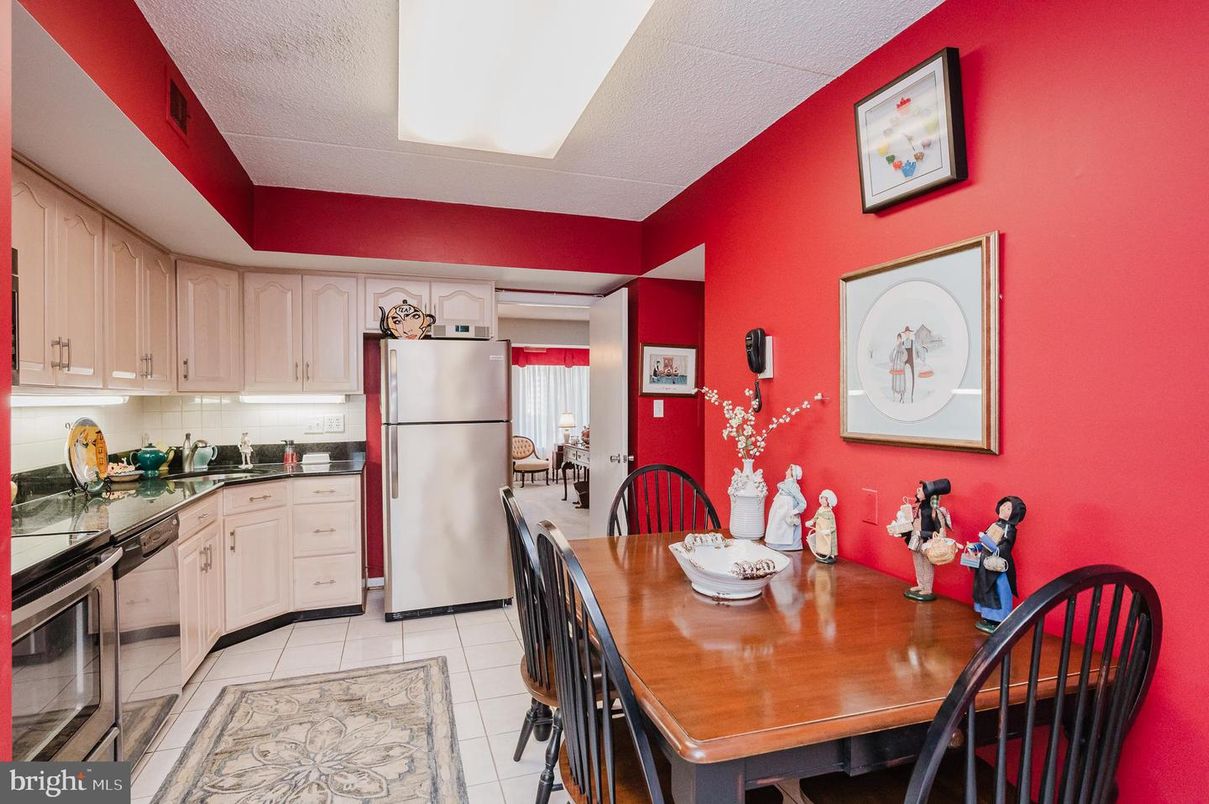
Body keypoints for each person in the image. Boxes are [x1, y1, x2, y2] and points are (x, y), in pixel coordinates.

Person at [972, 496, 1026, 633]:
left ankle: (999, 619)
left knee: (999, 590)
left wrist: (990, 544)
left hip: (997, 567)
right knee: (985, 590)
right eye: (1004, 505)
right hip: (985, 564)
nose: (1004, 508)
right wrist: (976, 547)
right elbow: (984, 540)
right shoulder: (994, 524)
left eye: (1009, 508)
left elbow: (1004, 548)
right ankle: (987, 617)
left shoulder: (1009, 529)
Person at [904, 478, 952, 602]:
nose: (917, 491)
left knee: (927, 565)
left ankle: (928, 588)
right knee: (918, 563)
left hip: (927, 542)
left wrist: (922, 533)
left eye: (921, 490)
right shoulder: (918, 507)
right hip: (916, 541)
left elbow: (940, 532)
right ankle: (920, 584)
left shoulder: (934, 512)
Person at [764, 465, 807, 551]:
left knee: (784, 527)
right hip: (780, 510)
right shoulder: (786, 483)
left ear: (792, 473)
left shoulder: (792, 485)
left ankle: (786, 545)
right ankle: (775, 542)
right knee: (777, 525)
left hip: (785, 511)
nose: (786, 470)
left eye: (789, 469)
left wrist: (794, 511)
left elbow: (802, 502)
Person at [806, 489, 838, 564]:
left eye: (825, 500)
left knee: (827, 544)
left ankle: (828, 555)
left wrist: (828, 531)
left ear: (829, 501)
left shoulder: (830, 513)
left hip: (826, 532)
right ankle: (821, 554)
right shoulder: (820, 510)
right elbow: (815, 518)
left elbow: (833, 527)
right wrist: (811, 522)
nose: (823, 501)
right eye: (822, 499)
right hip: (819, 530)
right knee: (820, 543)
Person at [889, 334, 907, 403]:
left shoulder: (902, 346)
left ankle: (902, 398)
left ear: (901, 339)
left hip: (901, 365)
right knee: (895, 380)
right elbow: (891, 356)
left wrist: (902, 360)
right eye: (898, 338)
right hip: (895, 366)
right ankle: (894, 397)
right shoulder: (895, 347)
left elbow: (905, 355)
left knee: (901, 381)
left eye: (900, 338)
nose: (899, 339)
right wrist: (895, 348)